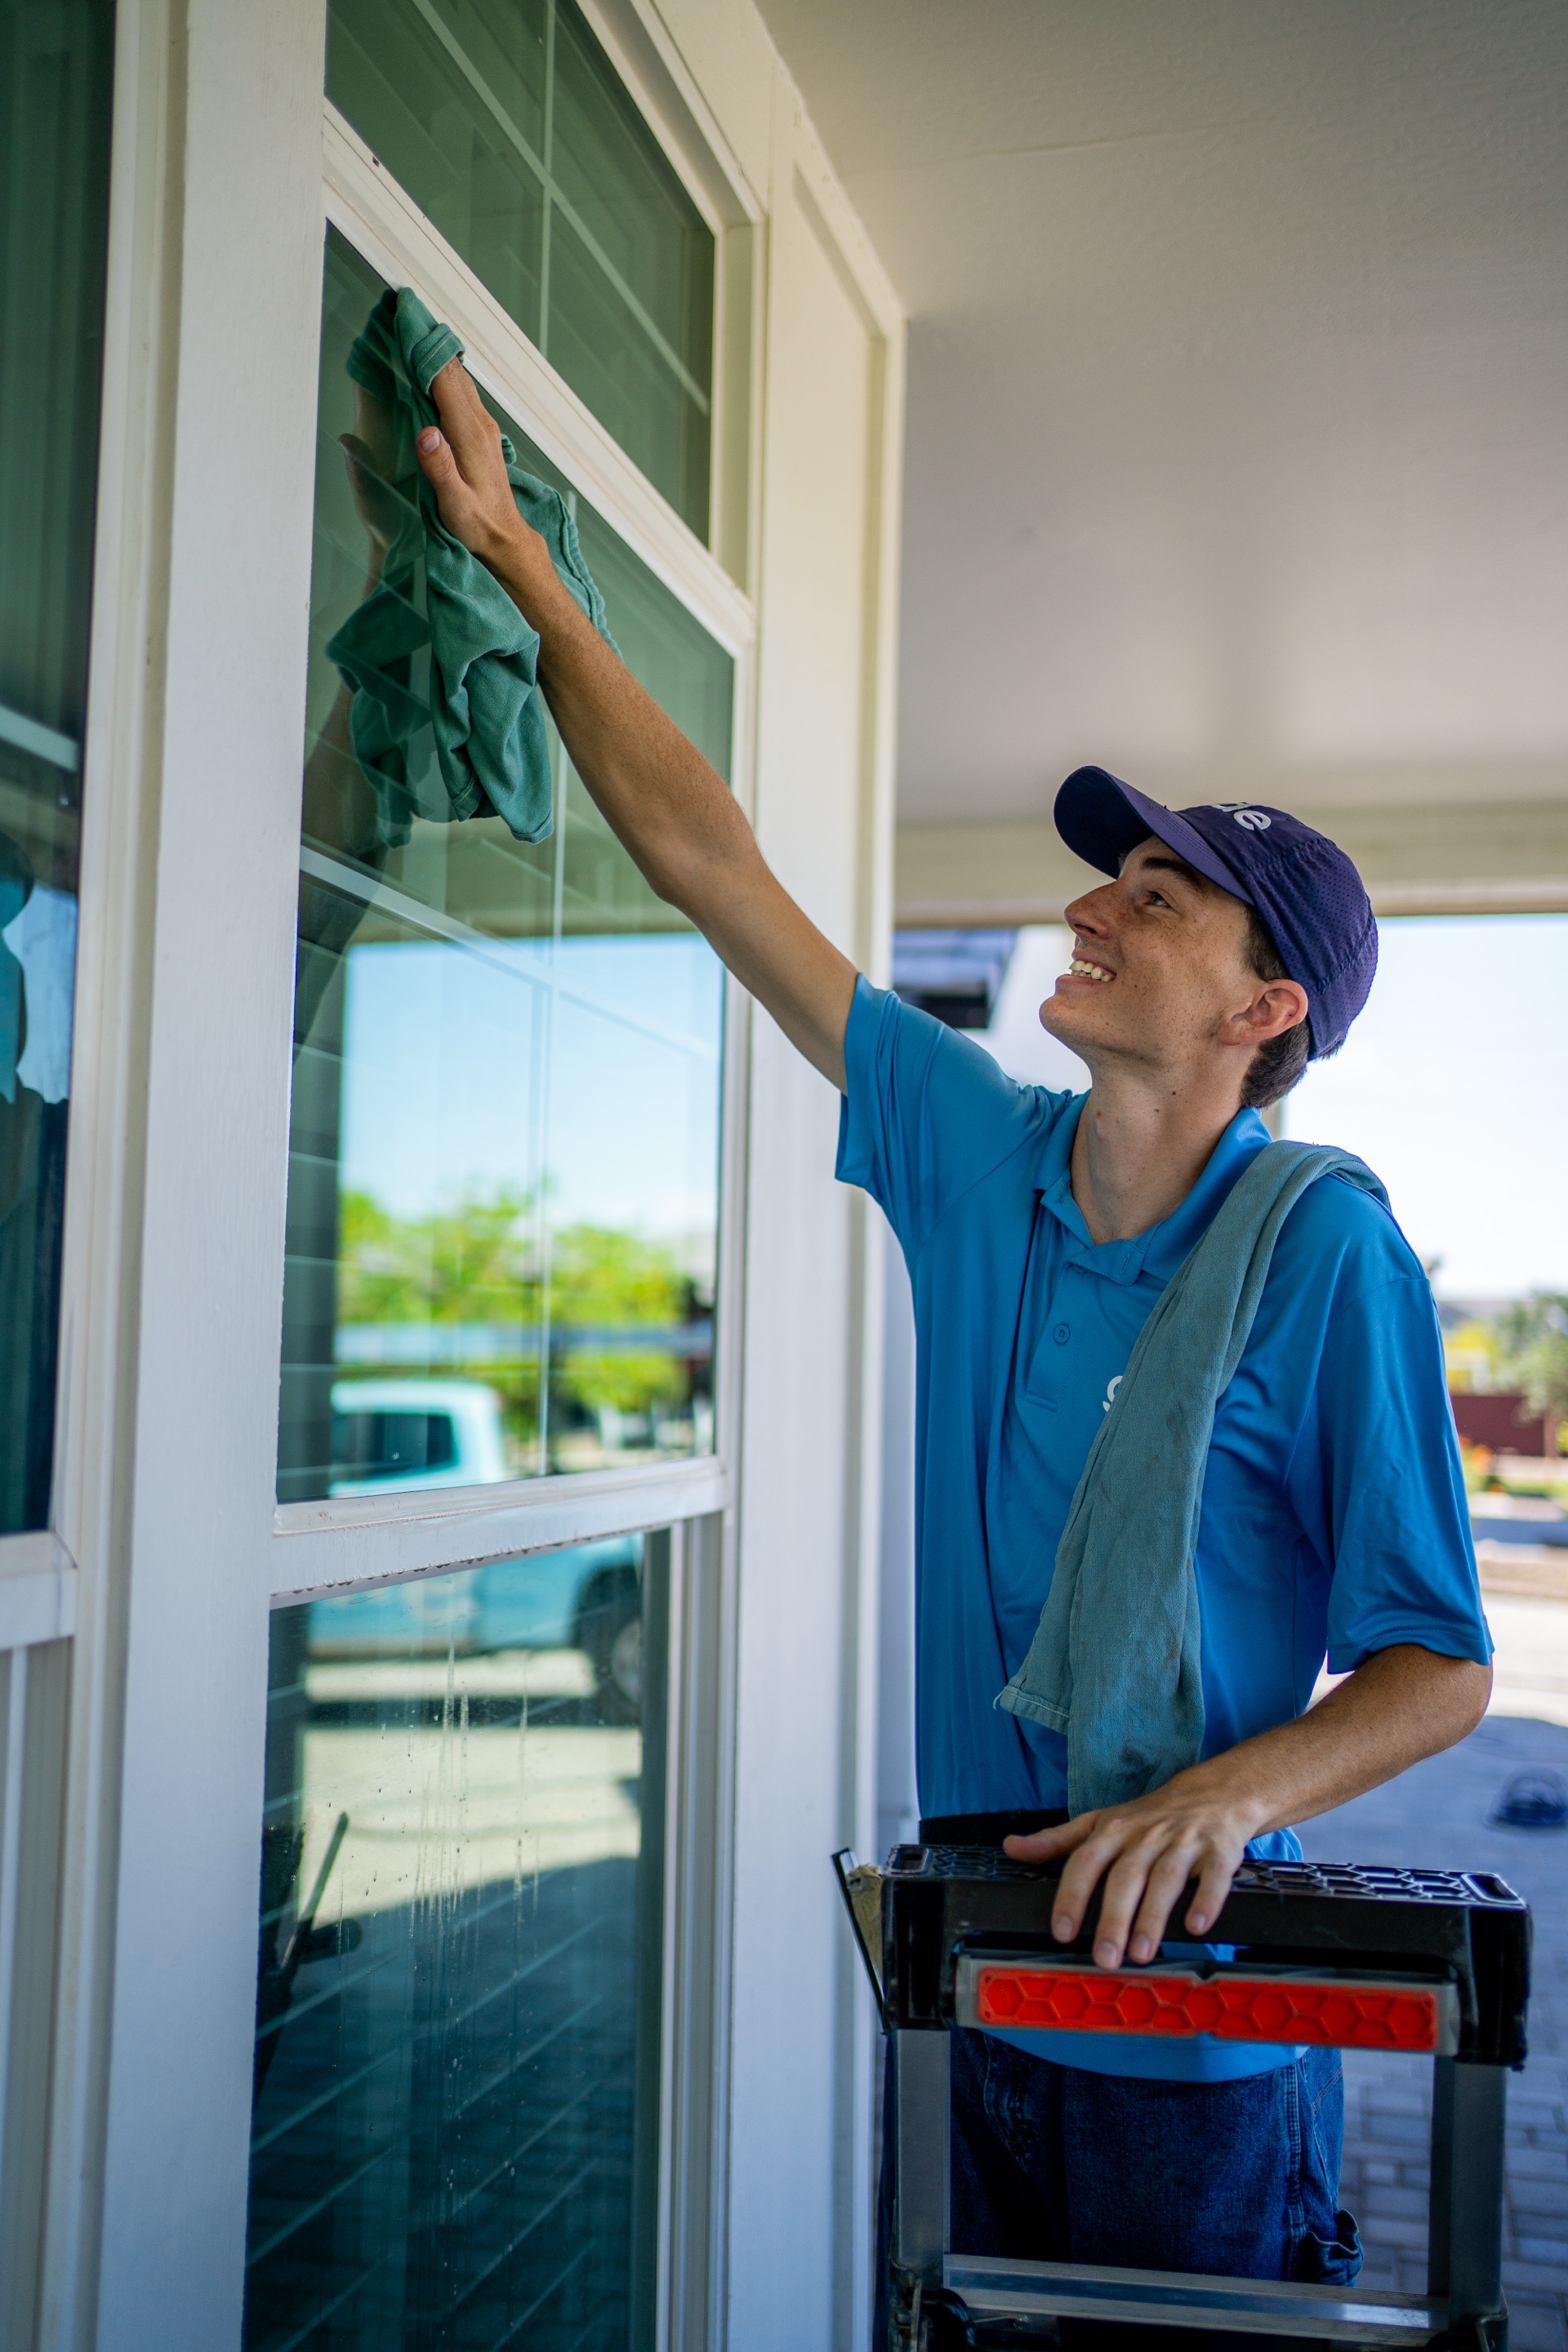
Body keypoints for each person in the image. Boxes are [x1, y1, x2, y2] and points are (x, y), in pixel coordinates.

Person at [408, 359, 1493, 2300]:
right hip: (969, 1977)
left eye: (1162, 899)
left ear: (1265, 1017)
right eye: (1113, 870)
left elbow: (1436, 1665)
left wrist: (1225, 1796)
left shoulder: (1328, 1259)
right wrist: (524, 574)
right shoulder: (978, 1151)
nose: (1098, 903)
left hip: (1204, 2045)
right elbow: (712, 866)